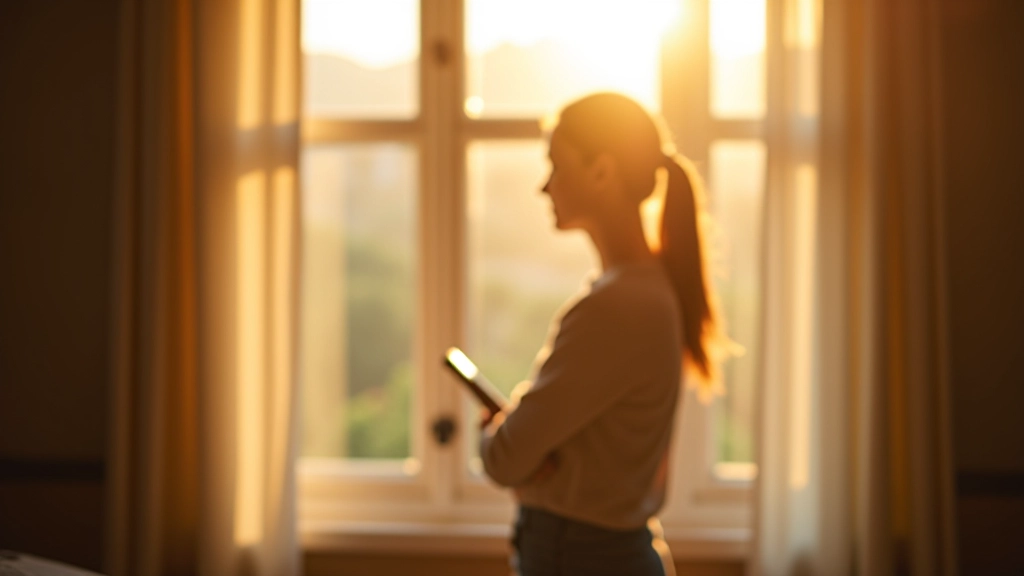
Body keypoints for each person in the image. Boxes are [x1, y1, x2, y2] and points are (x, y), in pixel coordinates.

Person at [478, 92, 730, 576]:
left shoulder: (617, 306)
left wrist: (492, 433)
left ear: (602, 171)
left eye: (556, 165)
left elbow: (506, 459)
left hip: (579, 557)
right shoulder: (644, 291)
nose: (544, 187)